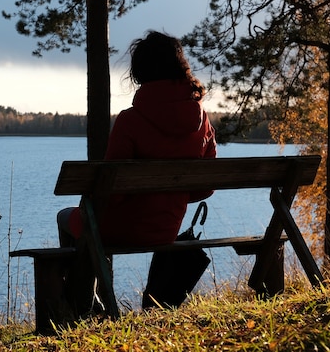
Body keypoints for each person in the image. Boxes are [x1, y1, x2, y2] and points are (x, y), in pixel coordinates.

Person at [57, 30, 217, 248]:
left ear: (140, 71)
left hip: (116, 228)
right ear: (180, 66)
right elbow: (205, 187)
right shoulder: (203, 121)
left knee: (65, 217)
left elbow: (111, 192)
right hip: (166, 229)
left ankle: (81, 282)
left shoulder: (130, 121)